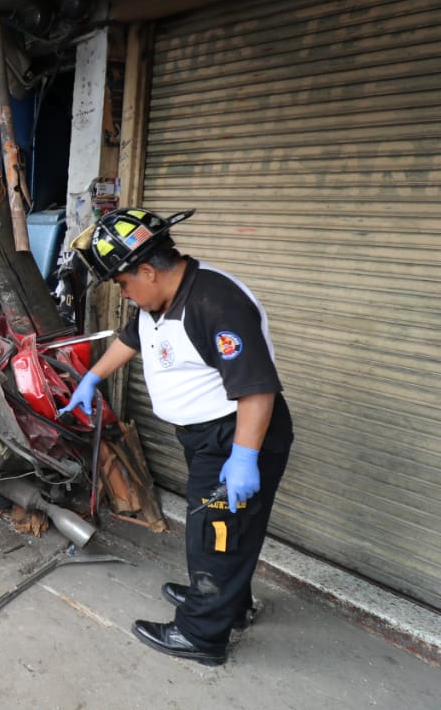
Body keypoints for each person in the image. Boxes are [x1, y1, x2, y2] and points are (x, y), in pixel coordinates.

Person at [59, 207, 292, 667]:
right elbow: (133, 337)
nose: (124, 295)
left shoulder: (215, 304)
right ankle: (229, 605)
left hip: (237, 437)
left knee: (213, 533)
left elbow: (257, 389)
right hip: (208, 437)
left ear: (147, 269)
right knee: (228, 530)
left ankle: (201, 636)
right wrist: (92, 378)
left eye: (123, 283)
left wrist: (244, 456)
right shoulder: (161, 298)